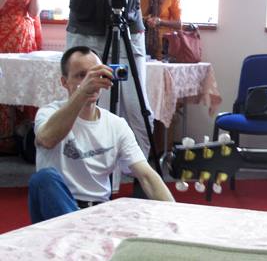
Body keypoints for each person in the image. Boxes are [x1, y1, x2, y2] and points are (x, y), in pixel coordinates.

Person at [43, 0, 157, 158]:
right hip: (85, 29)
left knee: (137, 106)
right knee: (84, 102)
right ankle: (88, 167)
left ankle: (142, 173)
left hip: (128, 26)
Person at [28, 46, 174, 223]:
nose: (91, 80)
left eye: (95, 74)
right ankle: (79, 235)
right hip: (59, 207)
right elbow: (47, 139)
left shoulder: (116, 124)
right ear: (64, 82)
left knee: (140, 217)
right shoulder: (48, 113)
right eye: (81, 75)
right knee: (44, 179)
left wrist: (175, 216)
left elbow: (147, 176)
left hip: (99, 213)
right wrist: (83, 92)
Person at [0, 0, 45, 153]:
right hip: (2, 38)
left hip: (24, 39)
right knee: (3, 88)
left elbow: (33, 12)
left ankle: (25, 141)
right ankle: (5, 141)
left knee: (25, 87)